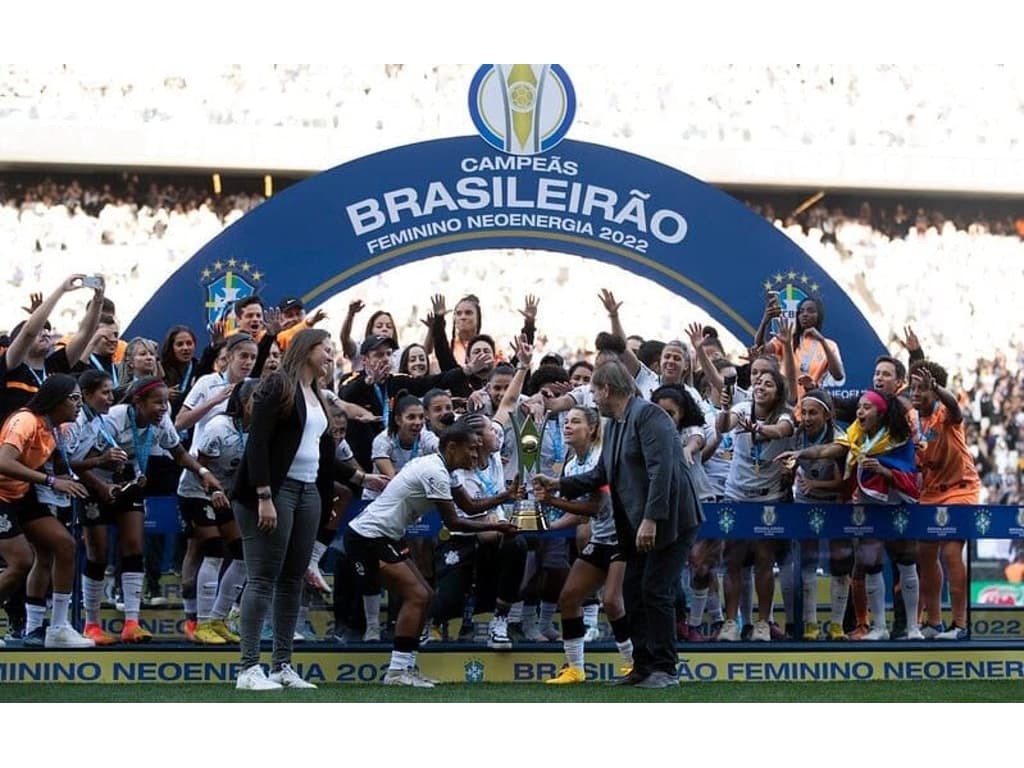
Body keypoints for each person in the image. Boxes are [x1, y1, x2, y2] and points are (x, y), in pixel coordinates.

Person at [534, 360, 703, 689]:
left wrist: (651, 520)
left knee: (655, 589)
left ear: (607, 389)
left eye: (594, 391)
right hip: (637, 524)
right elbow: (601, 475)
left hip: (671, 521)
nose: (593, 398)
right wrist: (557, 484)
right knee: (632, 589)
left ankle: (665, 669)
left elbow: (662, 471)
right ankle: (642, 666)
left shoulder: (649, 416)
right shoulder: (614, 424)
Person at [345, 418, 518, 687]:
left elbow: (471, 507)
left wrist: (505, 496)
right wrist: (500, 526)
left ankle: (405, 667)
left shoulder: (445, 470)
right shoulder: (435, 472)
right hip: (368, 538)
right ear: (451, 447)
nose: (475, 455)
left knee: (424, 595)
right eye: (471, 449)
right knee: (418, 595)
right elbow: (454, 522)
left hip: (383, 536)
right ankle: (397, 671)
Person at [74, 376, 226, 643]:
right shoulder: (114, 417)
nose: (164, 408)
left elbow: (178, 452)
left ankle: (131, 623)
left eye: (166, 402)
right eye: (158, 402)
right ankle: (92, 625)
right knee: (97, 552)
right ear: (138, 402)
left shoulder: (161, 420)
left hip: (128, 482)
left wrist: (203, 472)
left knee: (134, 545)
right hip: (93, 482)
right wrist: (101, 486)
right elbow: (78, 462)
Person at [231, 328, 336, 691]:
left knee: (293, 580)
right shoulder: (278, 385)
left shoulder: (316, 393)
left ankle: (282, 665)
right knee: (263, 578)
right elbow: (257, 443)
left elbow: (321, 448)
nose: (331, 355)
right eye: (326, 348)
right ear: (307, 350)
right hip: (273, 491)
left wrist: (359, 476)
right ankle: (248, 668)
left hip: (308, 491)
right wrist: (264, 495)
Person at [539, 406, 634, 684]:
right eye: (566, 422)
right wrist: (548, 526)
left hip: (622, 538)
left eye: (575, 421)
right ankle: (575, 669)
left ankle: (632, 664)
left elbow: (595, 506)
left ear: (591, 429)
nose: (567, 426)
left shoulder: (599, 458)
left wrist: (553, 500)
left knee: (612, 601)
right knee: (569, 598)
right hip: (601, 538)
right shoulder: (570, 466)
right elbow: (580, 514)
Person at [0, 374, 93, 648]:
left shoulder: (56, 427)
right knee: (21, 561)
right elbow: (3, 461)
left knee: (65, 545)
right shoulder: (26, 420)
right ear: (56, 400)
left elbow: (65, 464)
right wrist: (52, 482)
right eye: (74, 398)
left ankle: (59, 629)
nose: (79, 404)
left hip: (21, 493)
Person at [909, 360, 979, 640]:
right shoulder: (911, 419)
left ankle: (960, 625)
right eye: (913, 387)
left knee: (951, 552)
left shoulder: (946, 414)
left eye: (921, 389)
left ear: (935, 392)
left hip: (961, 489)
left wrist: (937, 388)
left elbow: (956, 406)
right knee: (925, 555)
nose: (914, 393)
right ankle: (934, 622)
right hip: (930, 492)